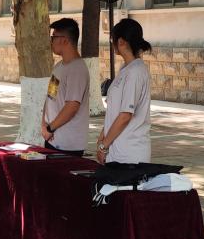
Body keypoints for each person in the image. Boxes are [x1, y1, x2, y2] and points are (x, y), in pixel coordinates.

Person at [97, 18, 152, 166]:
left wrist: (104, 146)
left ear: (121, 42)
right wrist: (103, 135)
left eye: (112, 40)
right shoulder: (126, 69)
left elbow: (125, 115)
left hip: (130, 154)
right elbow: (115, 111)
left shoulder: (135, 71)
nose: (112, 44)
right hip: (117, 151)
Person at [41, 18, 90, 156]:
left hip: (68, 144)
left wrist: (50, 128)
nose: (51, 41)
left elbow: (72, 106)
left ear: (64, 40)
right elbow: (50, 96)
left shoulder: (77, 69)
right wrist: (44, 124)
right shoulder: (59, 67)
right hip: (52, 138)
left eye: (53, 37)